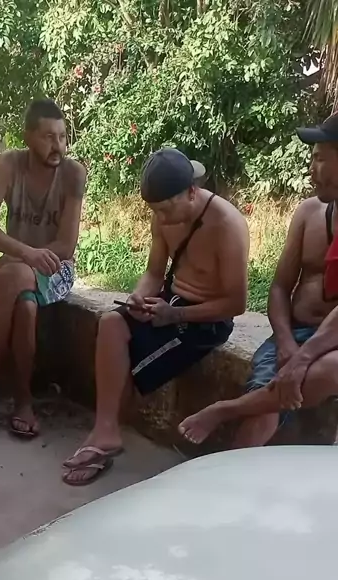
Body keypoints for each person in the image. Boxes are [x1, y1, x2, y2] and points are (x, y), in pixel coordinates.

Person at [63, 148, 249, 485]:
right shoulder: (163, 216)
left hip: (205, 320)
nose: (160, 219)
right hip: (168, 302)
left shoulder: (227, 224)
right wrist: (139, 296)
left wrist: (176, 313)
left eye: (165, 209)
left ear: (191, 192)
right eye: (154, 211)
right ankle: (105, 432)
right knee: (111, 324)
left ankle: (102, 445)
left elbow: (236, 304)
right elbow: (153, 273)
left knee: (128, 365)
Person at [179, 113, 338, 448]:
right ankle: (233, 474)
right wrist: (286, 342)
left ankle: (224, 411)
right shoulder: (308, 213)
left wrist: (303, 358)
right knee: (266, 400)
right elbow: (279, 288)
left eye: (320, 159)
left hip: (330, 344)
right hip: (295, 332)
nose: (311, 170)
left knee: (320, 373)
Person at [0, 98, 86, 437]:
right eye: (48, 137)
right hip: (22, 270)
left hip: (57, 269)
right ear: (28, 137)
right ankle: (23, 402)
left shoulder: (73, 174)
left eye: (62, 137)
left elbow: (66, 246)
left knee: (12, 274)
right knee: (25, 306)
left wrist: (8, 258)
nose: (58, 146)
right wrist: (23, 255)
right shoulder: (9, 164)